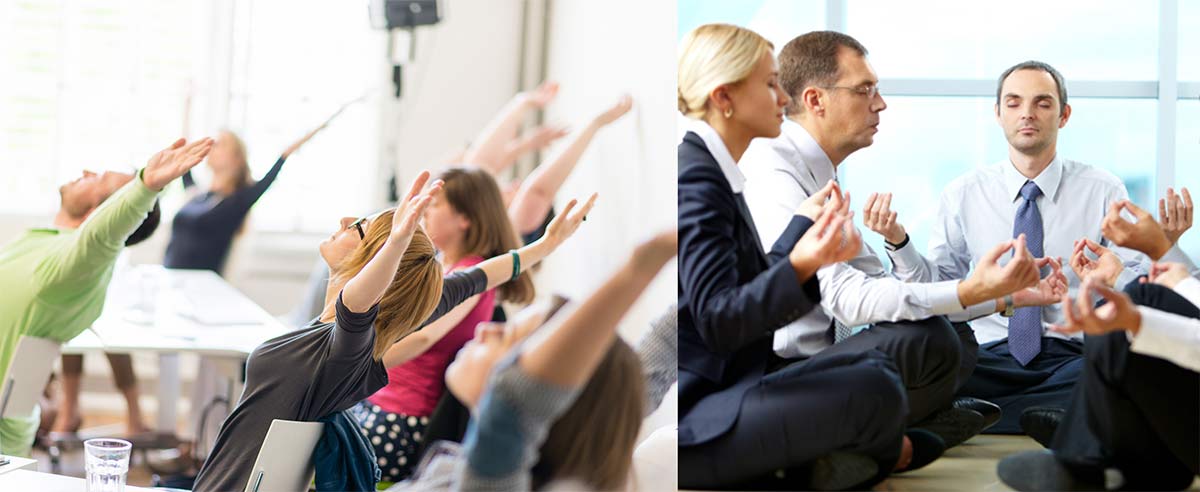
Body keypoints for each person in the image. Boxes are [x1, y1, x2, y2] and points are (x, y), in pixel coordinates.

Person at [675, 23, 957, 490]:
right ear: (724, 98)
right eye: (770, 85)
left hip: (740, 387)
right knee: (876, 385)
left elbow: (743, 288)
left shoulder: (719, 174)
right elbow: (719, 322)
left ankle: (842, 454)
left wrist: (796, 242)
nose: (784, 100)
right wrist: (803, 260)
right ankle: (840, 458)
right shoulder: (699, 181)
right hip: (710, 411)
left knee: (884, 370)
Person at [741, 31, 1056, 447]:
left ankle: (881, 433)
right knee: (932, 338)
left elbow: (886, 282)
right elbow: (848, 300)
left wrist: (1006, 298)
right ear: (816, 100)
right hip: (774, 372)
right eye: (865, 89)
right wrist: (968, 290)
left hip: (815, 365)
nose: (880, 103)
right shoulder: (774, 174)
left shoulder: (821, 176)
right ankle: (876, 438)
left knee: (952, 334)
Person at [191, 170, 594, 491]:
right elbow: (474, 279)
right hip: (224, 477)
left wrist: (398, 239)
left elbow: (358, 304)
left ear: (373, 260)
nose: (346, 221)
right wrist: (541, 248)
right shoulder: (352, 340)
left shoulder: (347, 349)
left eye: (360, 227)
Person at [878, 60, 1197, 434]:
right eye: (1013, 103)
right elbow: (938, 288)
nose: (1026, 114)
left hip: (1072, 354)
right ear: (998, 114)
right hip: (989, 355)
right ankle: (1063, 415)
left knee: (1122, 368)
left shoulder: (1104, 189)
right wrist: (899, 244)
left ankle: (979, 416)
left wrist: (1139, 262)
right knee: (925, 363)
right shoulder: (963, 192)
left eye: (1042, 103)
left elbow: (1134, 289)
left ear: (1063, 115)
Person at [397, 230, 678, 491]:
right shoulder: (595, 427)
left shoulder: (494, 484)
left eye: (508, 338)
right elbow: (662, 348)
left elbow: (516, 401)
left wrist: (644, 262)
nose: (485, 329)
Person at [0, 137, 214, 456]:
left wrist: (145, 188)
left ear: (100, 214)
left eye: (99, 180)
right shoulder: (44, 240)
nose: (87, 171)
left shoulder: (74, 266)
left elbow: (104, 236)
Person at [352, 167, 534, 482]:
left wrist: (359, 362)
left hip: (400, 421)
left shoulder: (471, 275)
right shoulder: (443, 265)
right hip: (381, 403)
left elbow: (423, 336)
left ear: (464, 219)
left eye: (435, 206)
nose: (425, 212)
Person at [998, 267, 1199, 491]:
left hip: (1068, 354)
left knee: (1141, 300)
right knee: (1129, 301)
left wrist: (1182, 284)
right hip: (998, 350)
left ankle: (1088, 444)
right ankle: (1097, 432)